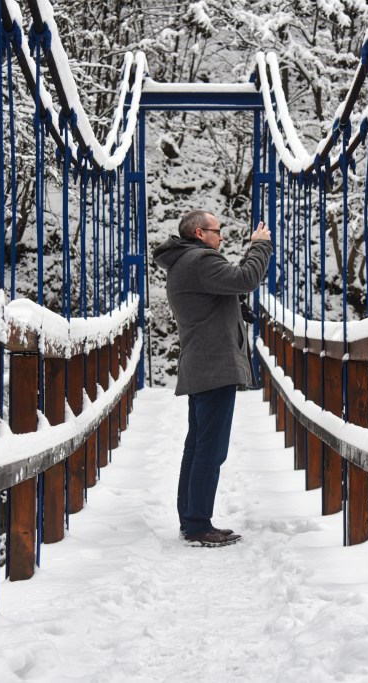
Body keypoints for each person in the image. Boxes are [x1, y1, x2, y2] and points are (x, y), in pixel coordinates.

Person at [152, 210, 273, 547]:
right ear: (200, 233)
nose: (221, 238)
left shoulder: (185, 261)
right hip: (214, 365)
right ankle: (197, 525)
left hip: (204, 364)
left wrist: (233, 305)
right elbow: (246, 278)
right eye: (217, 231)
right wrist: (259, 247)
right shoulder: (201, 260)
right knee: (211, 448)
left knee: (198, 445)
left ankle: (191, 518)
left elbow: (216, 296)